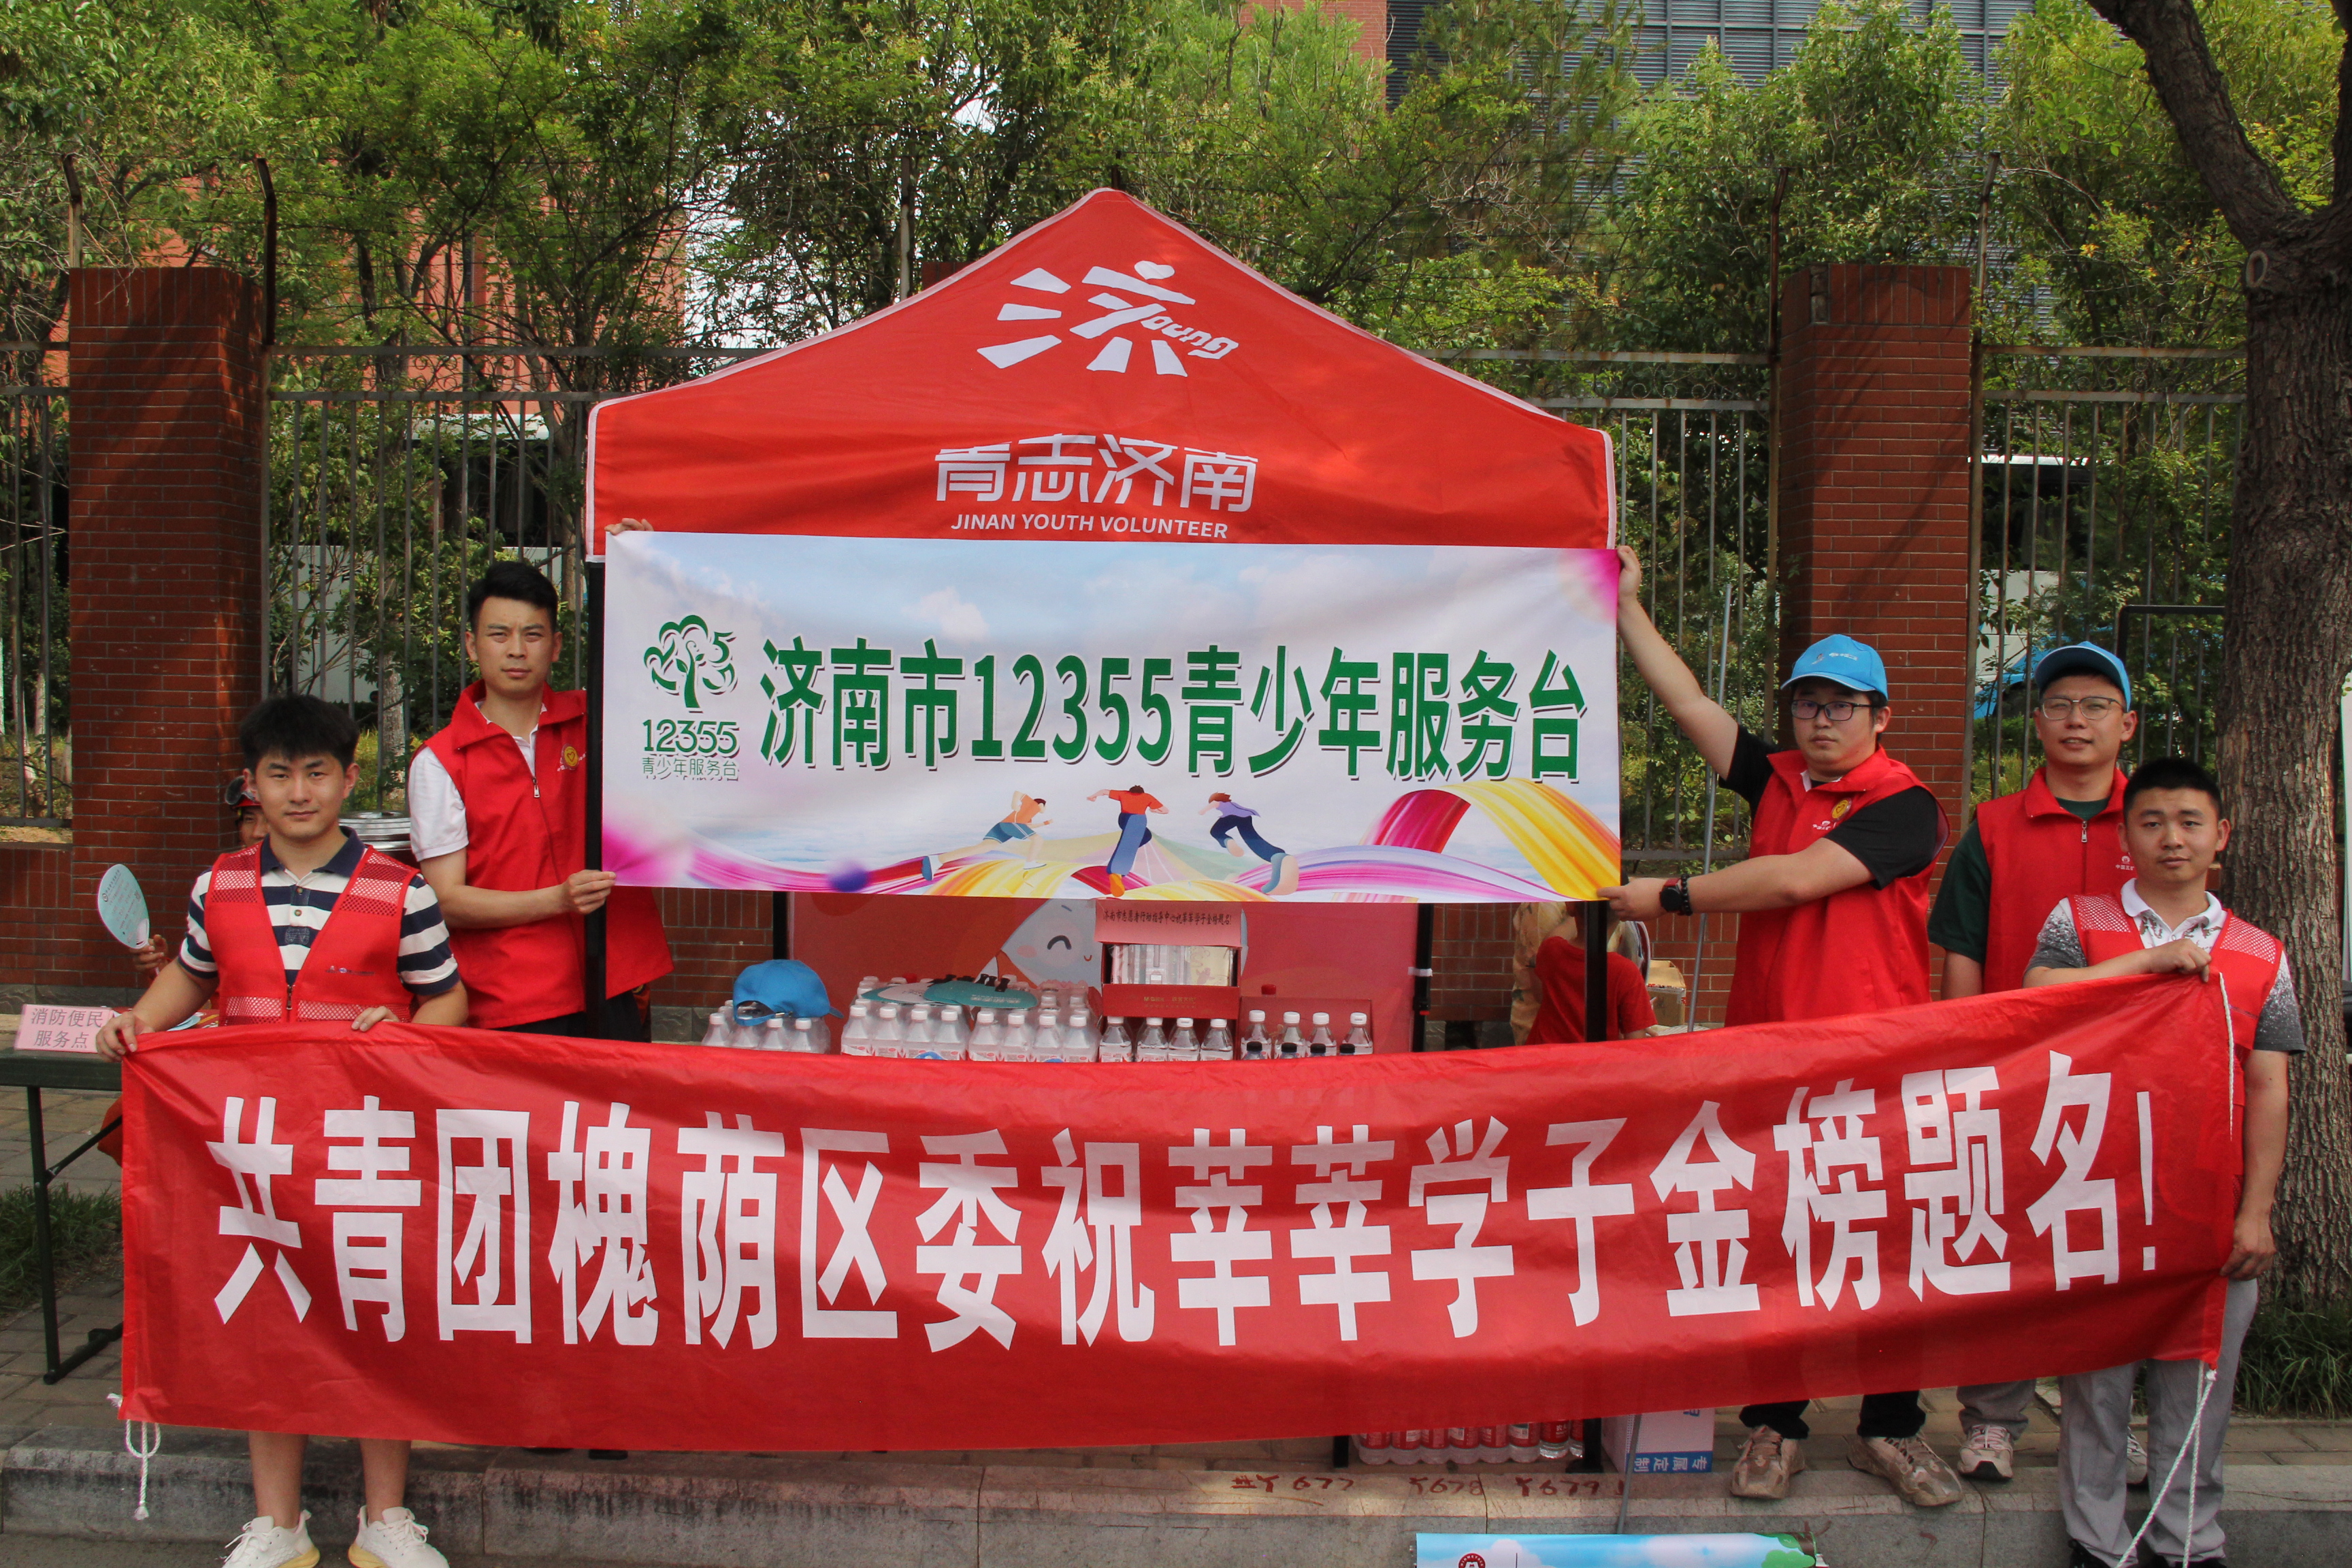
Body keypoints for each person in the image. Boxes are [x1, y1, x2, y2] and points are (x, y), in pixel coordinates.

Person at [1597, 545, 1959, 1508]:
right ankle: (1774, 1426)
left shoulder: (1905, 807)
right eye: (1807, 704)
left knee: (1883, 1244)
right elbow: (1689, 706)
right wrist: (1627, 606)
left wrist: (1672, 894)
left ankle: (1891, 1427)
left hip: (1873, 1064)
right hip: (1770, 1056)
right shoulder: (1779, 781)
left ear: (1882, 717)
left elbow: (1797, 880)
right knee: (1776, 1237)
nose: (1822, 720)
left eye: (1843, 705)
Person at [95, 694, 466, 1568]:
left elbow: (447, 996)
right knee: (270, 1318)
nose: (299, 792)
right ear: (251, 785)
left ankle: (385, 1520)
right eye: (279, 774)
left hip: (364, 1142)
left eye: (317, 773)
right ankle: (279, 1524)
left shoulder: (401, 888)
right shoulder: (218, 885)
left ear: (348, 780)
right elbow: (191, 980)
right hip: (252, 1145)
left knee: (377, 1315)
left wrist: (408, 1035)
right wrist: (139, 1022)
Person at [2023, 755, 2296, 1568]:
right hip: (2098, 1195)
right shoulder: (2082, 921)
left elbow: (2270, 1086)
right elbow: (2036, 999)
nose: (2171, 838)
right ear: (2126, 836)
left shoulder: (2263, 953)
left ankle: (2189, 1544)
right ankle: (2096, 1542)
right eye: (2151, 822)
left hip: (2209, 1203)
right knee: (2097, 1385)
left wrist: (2257, 1211)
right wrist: (2146, 963)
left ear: (2221, 836)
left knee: (2200, 1386)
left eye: (2189, 822)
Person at [1929, 642, 2140, 1486]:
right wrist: (1964, 1060)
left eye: (2096, 705)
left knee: (2111, 1251)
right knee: (2006, 1246)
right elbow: (1962, 950)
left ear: (2127, 724)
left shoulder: (2155, 822)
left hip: (2128, 1074)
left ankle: (2106, 1427)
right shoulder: (1993, 826)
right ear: (2038, 721)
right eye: (2059, 705)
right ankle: (1992, 1421)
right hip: (2014, 1072)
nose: (2076, 721)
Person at [410, 560, 672, 1036]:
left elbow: (663, 672)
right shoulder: (440, 761)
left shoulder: (598, 720)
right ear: (471, 644)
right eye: (498, 634)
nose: (516, 650)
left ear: (555, 646)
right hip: (513, 999)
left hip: (614, 979)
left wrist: (640, 570)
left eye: (533, 635)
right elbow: (447, 899)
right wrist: (557, 900)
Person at [1522, 909, 1657, 1042]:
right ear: (1622, 914)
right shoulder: (1626, 971)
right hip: (1594, 1056)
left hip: (1544, 1053)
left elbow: (1539, 996)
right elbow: (1636, 1043)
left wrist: (1577, 909)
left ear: (1571, 908)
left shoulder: (1551, 949)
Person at [1200, 792, 1298, 894]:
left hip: (1232, 816)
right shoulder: (1233, 804)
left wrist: (1203, 811)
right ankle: (1277, 855)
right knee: (1251, 838)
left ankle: (1227, 841)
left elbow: (1214, 803)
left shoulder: (1218, 803)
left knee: (1216, 832)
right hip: (1245, 817)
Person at [1087, 783, 1166, 895]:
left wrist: (1093, 796)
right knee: (1129, 845)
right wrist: (1155, 811)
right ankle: (1117, 873)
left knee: (1146, 836)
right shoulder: (1147, 797)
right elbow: (1165, 810)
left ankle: (1125, 853)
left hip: (1124, 819)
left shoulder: (1124, 794)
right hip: (1137, 819)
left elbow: (1104, 791)